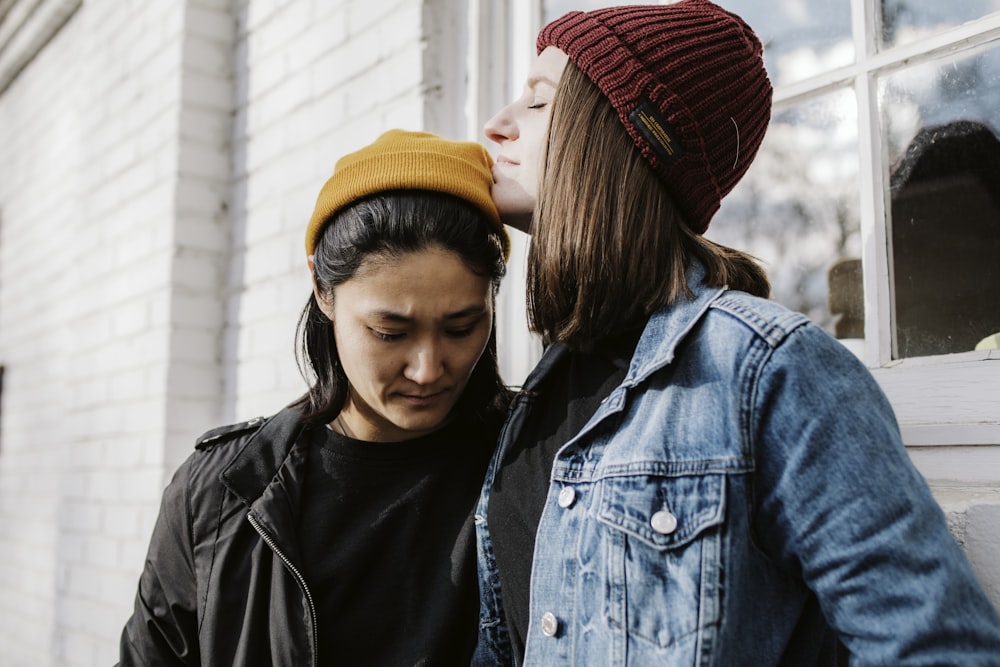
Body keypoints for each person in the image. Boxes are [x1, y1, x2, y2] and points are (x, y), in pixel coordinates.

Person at [474, 1, 1000, 665]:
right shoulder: (540, 396)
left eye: (540, 103)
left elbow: (942, 652)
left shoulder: (771, 372)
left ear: (624, 135)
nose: (496, 125)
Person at [118, 129, 511, 666]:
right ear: (323, 292)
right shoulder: (220, 493)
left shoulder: (544, 463)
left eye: (462, 327)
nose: (427, 369)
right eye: (389, 332)